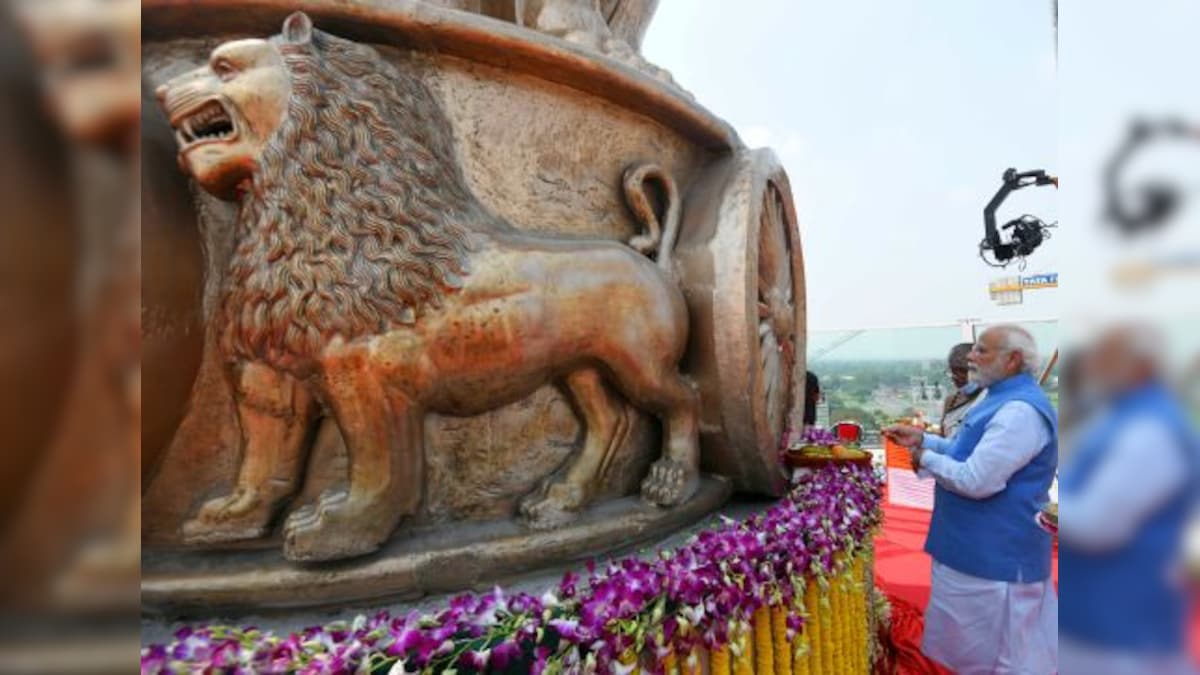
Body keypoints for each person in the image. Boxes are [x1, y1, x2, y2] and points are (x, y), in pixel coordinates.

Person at [884, 325, 1058, 673]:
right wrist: (924, 441)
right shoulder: (998, 399)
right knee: (972, 656)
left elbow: (978, 479)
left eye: (981, 351)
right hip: (974, 553)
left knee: (1005, 659)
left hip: (997, 561)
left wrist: (926, 459)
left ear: (1012, 360)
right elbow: (967, 452)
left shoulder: (1019, 413)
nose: (970, 358)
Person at [1058, 324, 1199, 675]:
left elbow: (1099, 525)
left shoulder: (1148, 431)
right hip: (1105, 614)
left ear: (1140, 366)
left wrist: (1049, 508)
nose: (1091, 367)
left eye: (1103, 359)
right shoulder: (1125, 416)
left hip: (1119, 623)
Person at [940, 342, 984, 438]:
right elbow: (942, 438)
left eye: (962, 370)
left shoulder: (988, 400)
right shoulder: (950, 401)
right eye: (953, 370)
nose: (956, 376)